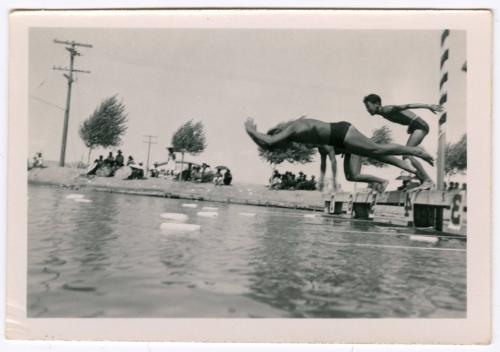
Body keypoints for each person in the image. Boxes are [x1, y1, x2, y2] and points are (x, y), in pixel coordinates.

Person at [363, 94, 442, 190]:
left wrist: (428, 106)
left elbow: (408, 106)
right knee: (406, 155)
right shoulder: (383, 112)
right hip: (417, 126)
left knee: (407, 155)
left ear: (376, 104)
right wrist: (410, 126)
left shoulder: (386, 109)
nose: (367, 109)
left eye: (368, 106)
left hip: (420, 126)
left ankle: (427, 180)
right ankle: (424, 180)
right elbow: (407, 115)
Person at [317, 145, 418, 192]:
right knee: (349, 177)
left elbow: (333, 161)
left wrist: (333, 180)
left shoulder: (325, 144)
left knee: (355, 175)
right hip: (348, 152)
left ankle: (382, 181)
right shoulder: (320, 149)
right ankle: (374, 183)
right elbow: (323, 164)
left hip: (355, 149)